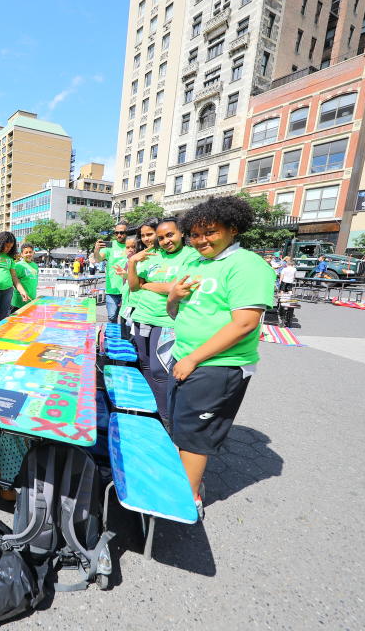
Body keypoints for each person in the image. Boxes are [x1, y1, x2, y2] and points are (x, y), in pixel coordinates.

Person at [166, 196, 275, 519]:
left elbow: (245, 323)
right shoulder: (194, 264)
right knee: (183, 429)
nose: (201, 241)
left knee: (196, 437)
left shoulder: (248, 265)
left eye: (210, 233)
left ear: (233, 228)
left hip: (216, 366)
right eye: (195, 235)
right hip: (185, 358)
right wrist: (173, 296)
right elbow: (174, 312)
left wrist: (193, 359)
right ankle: (183, 482)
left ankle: (188, 499)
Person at [127, 217, 199, 425]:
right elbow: (133, 286)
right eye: (161, 238)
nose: (166, 241)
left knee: (161, 372)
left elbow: (176, 287)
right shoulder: (152, 255)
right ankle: (152, 410)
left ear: (181, 233)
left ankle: (166, 417)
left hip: (166, 320)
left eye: (170, 235)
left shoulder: (191, 256)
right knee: (145, 366)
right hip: (142, 317)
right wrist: (132, 262)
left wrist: (147, 284)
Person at [0, 231, 28, 329]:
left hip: (7, 291)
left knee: (2, 321)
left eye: (10, 247)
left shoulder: (10, 258)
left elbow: (14, 277)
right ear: (0, 243)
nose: (8, 249)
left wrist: (22, 291)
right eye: (6, 246)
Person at [94, 222, 129, 322]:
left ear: (127, 232)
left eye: (122, 232)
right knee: (112, 317)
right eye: (116, 233)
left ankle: (123, 337)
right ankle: (110, 337)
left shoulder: (132, 246)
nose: (119, 235)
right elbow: (98, 259)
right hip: (112, 290)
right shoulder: (110, 246)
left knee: (126, 320)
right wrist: (96, 250)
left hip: (128, 290)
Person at [11, 243, 38, 311]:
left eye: (30, 252)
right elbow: (13, 281)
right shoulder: (18, 265)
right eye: (26, 252)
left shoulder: (35, 266)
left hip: (31, 300)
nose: (28, 254)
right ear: (22, 254)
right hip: (18, 303)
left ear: (33, 253)